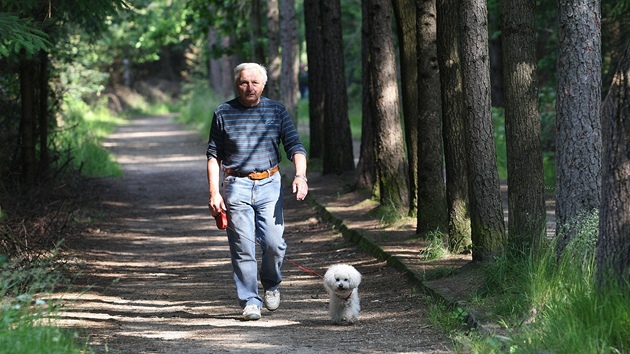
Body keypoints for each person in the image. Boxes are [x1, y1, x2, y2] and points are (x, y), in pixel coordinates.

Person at [206, 63, 308, 320]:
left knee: (273, 243)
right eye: (244, 82)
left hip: (269, 183)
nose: (249, 87)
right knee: (242, 246)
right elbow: (213, 156)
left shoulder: (276, 110)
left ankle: (271, 284)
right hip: (235, 184)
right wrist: (213, 193)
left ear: (263, 85)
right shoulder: (223, 112)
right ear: (236, 84)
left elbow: (295, 146)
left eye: (254, 83)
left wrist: (300, 176)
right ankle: (250, 300)